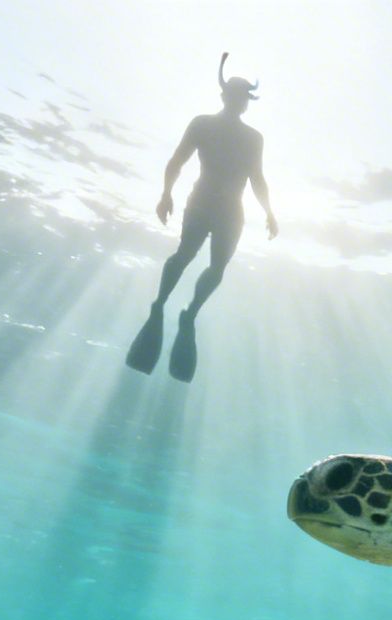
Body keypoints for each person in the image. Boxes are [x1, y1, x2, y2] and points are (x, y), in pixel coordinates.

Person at [126, 53, 278, 381]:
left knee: (216, 267)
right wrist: (165, 194)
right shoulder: (203, 124)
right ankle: (161, 306)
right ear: (225, 97)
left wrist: (269, 212)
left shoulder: (252, 138)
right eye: (236, 97)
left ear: (245, 102)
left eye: (243, 99)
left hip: (228, 211)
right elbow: (177, 160)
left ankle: (187, 313)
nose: (239, 103)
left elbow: (257, 178)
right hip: (204, 204)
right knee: (185, 256)